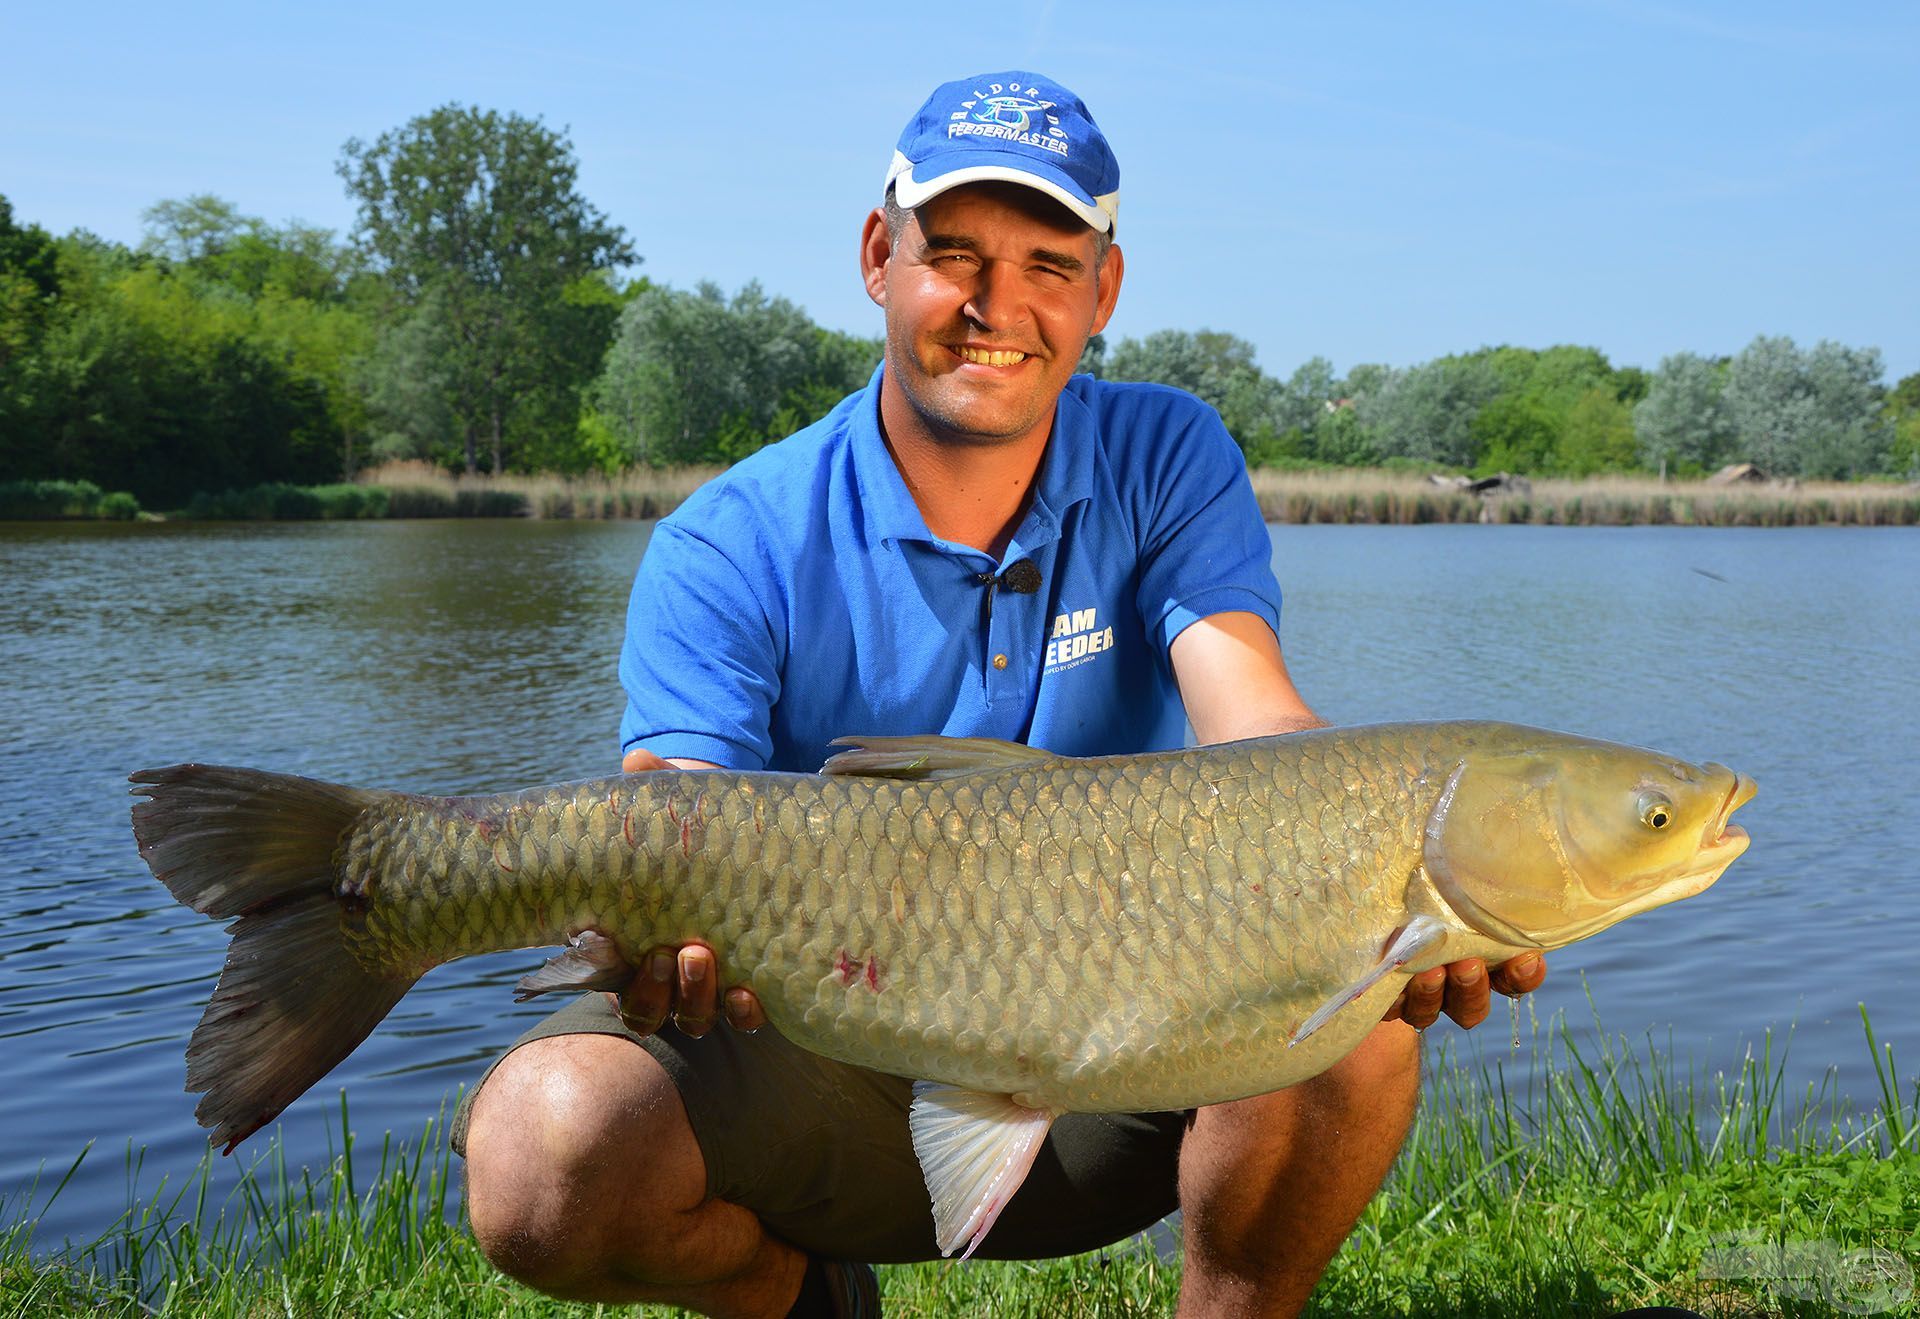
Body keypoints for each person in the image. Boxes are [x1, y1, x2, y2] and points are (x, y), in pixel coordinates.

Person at [455, 71, 1546, 1319]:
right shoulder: (729, 540)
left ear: (1103, 293)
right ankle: (808, 1298)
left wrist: (1395, 875)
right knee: (545, 1155)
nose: (996, 308)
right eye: (955, 254)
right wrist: (666, 932)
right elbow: (684, 809)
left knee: (1355, 1021)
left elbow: (1255, 712)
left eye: (1047, 263)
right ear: (880, 256)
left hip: (1128, 1045)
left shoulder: (1164, 454)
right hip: (825, 1047)